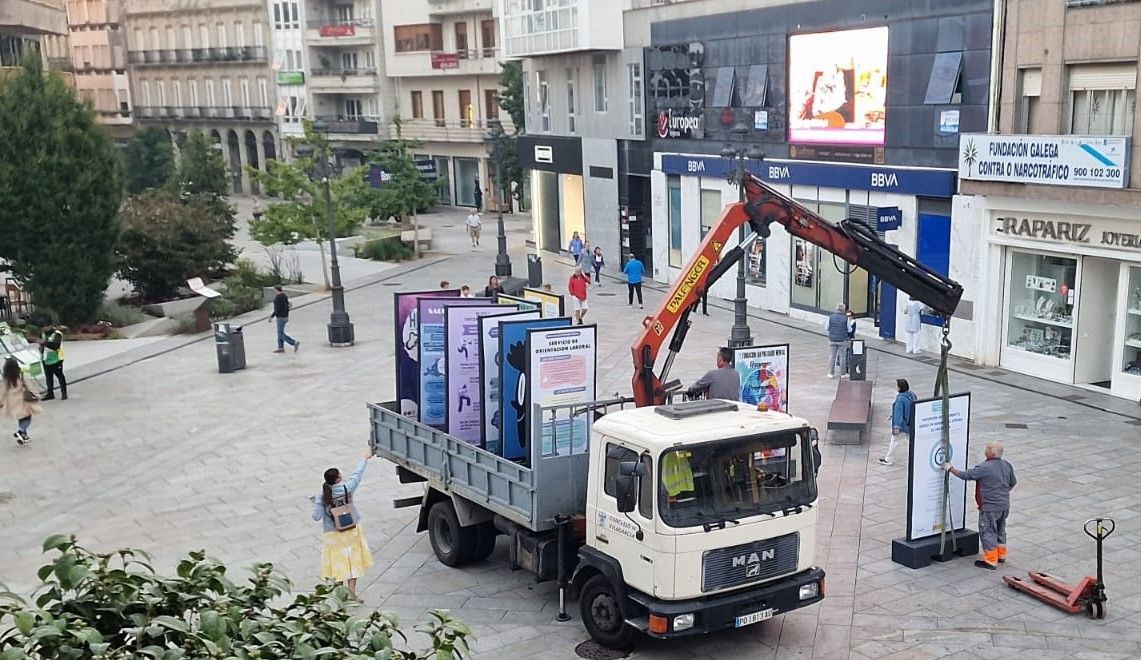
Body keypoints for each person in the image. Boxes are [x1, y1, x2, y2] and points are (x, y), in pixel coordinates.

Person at [944, 441, 1017, 570]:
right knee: (1000, 530)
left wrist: (950, 468)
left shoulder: (985, 467)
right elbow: (1012, 482)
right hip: (1004, 505)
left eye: (987, 448)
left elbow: (966, 475)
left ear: (990, 452)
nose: (985, 450)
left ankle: (990, 560)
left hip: (989, 508)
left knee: (987, 531)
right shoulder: (1006, 465)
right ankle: (1001, 555)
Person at [312, 450, 375, 597]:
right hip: (351, 530)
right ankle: (352, 595)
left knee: (338, 565)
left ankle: (340, 596)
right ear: (338, 479)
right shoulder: (347, 488)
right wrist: (364, 459)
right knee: (353, 563)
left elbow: (316, 516)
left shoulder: (322, 496)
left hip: (332, 534)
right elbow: (357, 475)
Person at [1, 357, 41, 446]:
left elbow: (2, 391)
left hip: (12, 402)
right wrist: (37, 395)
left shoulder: (6, 379)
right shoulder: (22, 375)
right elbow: (30, 387)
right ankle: (21, 431)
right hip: (23, 401)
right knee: (27, 417)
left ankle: (24, 436)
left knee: (21, 417)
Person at [878, 379, 917, 466]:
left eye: (897, 386)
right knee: (912, 440)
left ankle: (888, 459)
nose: (896, 387)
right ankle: (919, 455)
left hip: (902, 426)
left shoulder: (900, 400)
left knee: (895, 441)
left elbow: (898, 414)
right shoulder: (912, 395)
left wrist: (897, 427)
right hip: (910, 423)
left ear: (899, 388)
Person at [267, 285, 300, 354]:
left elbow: (277, 309)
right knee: (280, 332)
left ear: (276, 290)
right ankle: (280, 347)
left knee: (280, 333)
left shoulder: (277, 298)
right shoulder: (284, 295)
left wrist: (271, 317)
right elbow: (288, 304)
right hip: (285, 316)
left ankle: (294, 342)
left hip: (280, 317)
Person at [40, 323, 67, 400]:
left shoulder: (57, 334)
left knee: (60, 376)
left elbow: (55, 346)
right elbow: (42, 344)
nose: (43, 329)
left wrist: (44, 343)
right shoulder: (43, 333)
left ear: (50, 325)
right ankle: (50, 393)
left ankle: (64, 393)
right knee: (48, 377)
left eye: (44, 327)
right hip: (46, 358)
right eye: (42, 328)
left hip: (56, 359)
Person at [824, 304, 848, 378]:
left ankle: (831, 373)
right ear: (843, 310)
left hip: (832, 339)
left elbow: (826, 328)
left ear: (836, 309)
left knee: (832, 357)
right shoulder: (846, 318)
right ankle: (843, 373)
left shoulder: (830, 317)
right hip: (842, 340)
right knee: (842, 357)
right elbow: (849, 329)